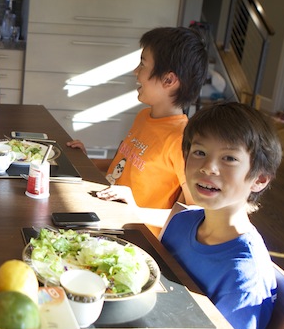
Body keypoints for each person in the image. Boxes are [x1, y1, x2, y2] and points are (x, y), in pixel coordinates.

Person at [160, 102, 281, 329]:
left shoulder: (244, 277)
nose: (208, 167)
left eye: (229, 158)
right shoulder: (182, 221)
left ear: (259, 179)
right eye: (199, 152)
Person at [67, 26, 208, 210]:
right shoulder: (143, 116)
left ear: (168, 80)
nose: (135, 71)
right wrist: (89, 162)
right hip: (108, 213)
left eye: (142, 64)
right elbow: (128, 165)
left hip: (136, 233)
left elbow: (191, 215)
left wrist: (135, 210)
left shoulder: (181, 139)